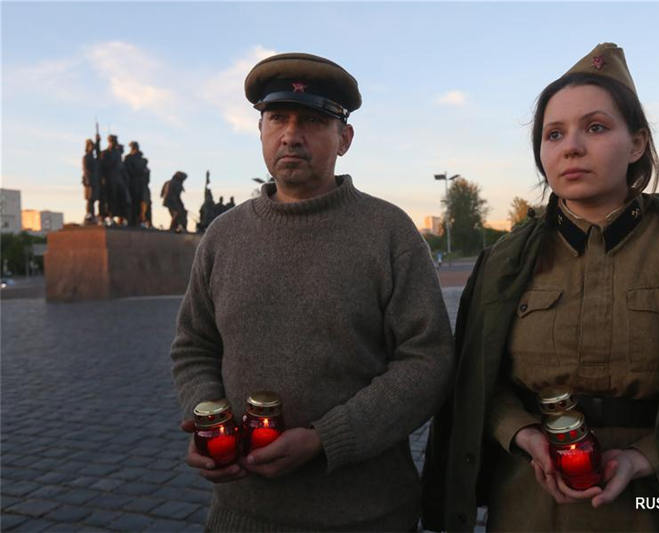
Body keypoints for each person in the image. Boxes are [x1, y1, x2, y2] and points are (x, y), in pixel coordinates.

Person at [422, 43, 659, 532]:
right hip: (529, 504)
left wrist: (646, 457)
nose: (571, 146)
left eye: (595, 127)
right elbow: (476, 382)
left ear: (638, 143)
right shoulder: (504, 262)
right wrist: (521, 433)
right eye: (553, 134)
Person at [170, 52, 454, 531]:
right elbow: (193, 347)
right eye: (277, 117)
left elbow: (428, 362)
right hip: (242, 515)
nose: (291, 134)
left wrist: (327, 439)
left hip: (369, 515)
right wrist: (207, 417)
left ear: (344, 138)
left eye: (314, 120)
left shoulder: (389, 232)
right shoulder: (222, 236)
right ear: (260, 130)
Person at [123, 141, 150, 226]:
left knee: (142, 203)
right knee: (133, 202)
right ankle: (132, 221)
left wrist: (144, 174)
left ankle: (140, 220)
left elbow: (146, 171)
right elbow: (128, 170)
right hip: (132, 183)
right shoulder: (128, 158)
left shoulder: (143, 160)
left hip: (141, 184)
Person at [82, 138, 100, 224]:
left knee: (93, 200)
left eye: (93, 146)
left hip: (95, 181)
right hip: (89, 182)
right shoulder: (86, 157)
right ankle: (89, 215)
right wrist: (89, 181)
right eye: (91, 146)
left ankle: (92, 215)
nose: (93, 148)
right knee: (90, 200)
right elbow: (86, 170)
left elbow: (98, 153)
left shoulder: (94, 158)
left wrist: (98, 142)